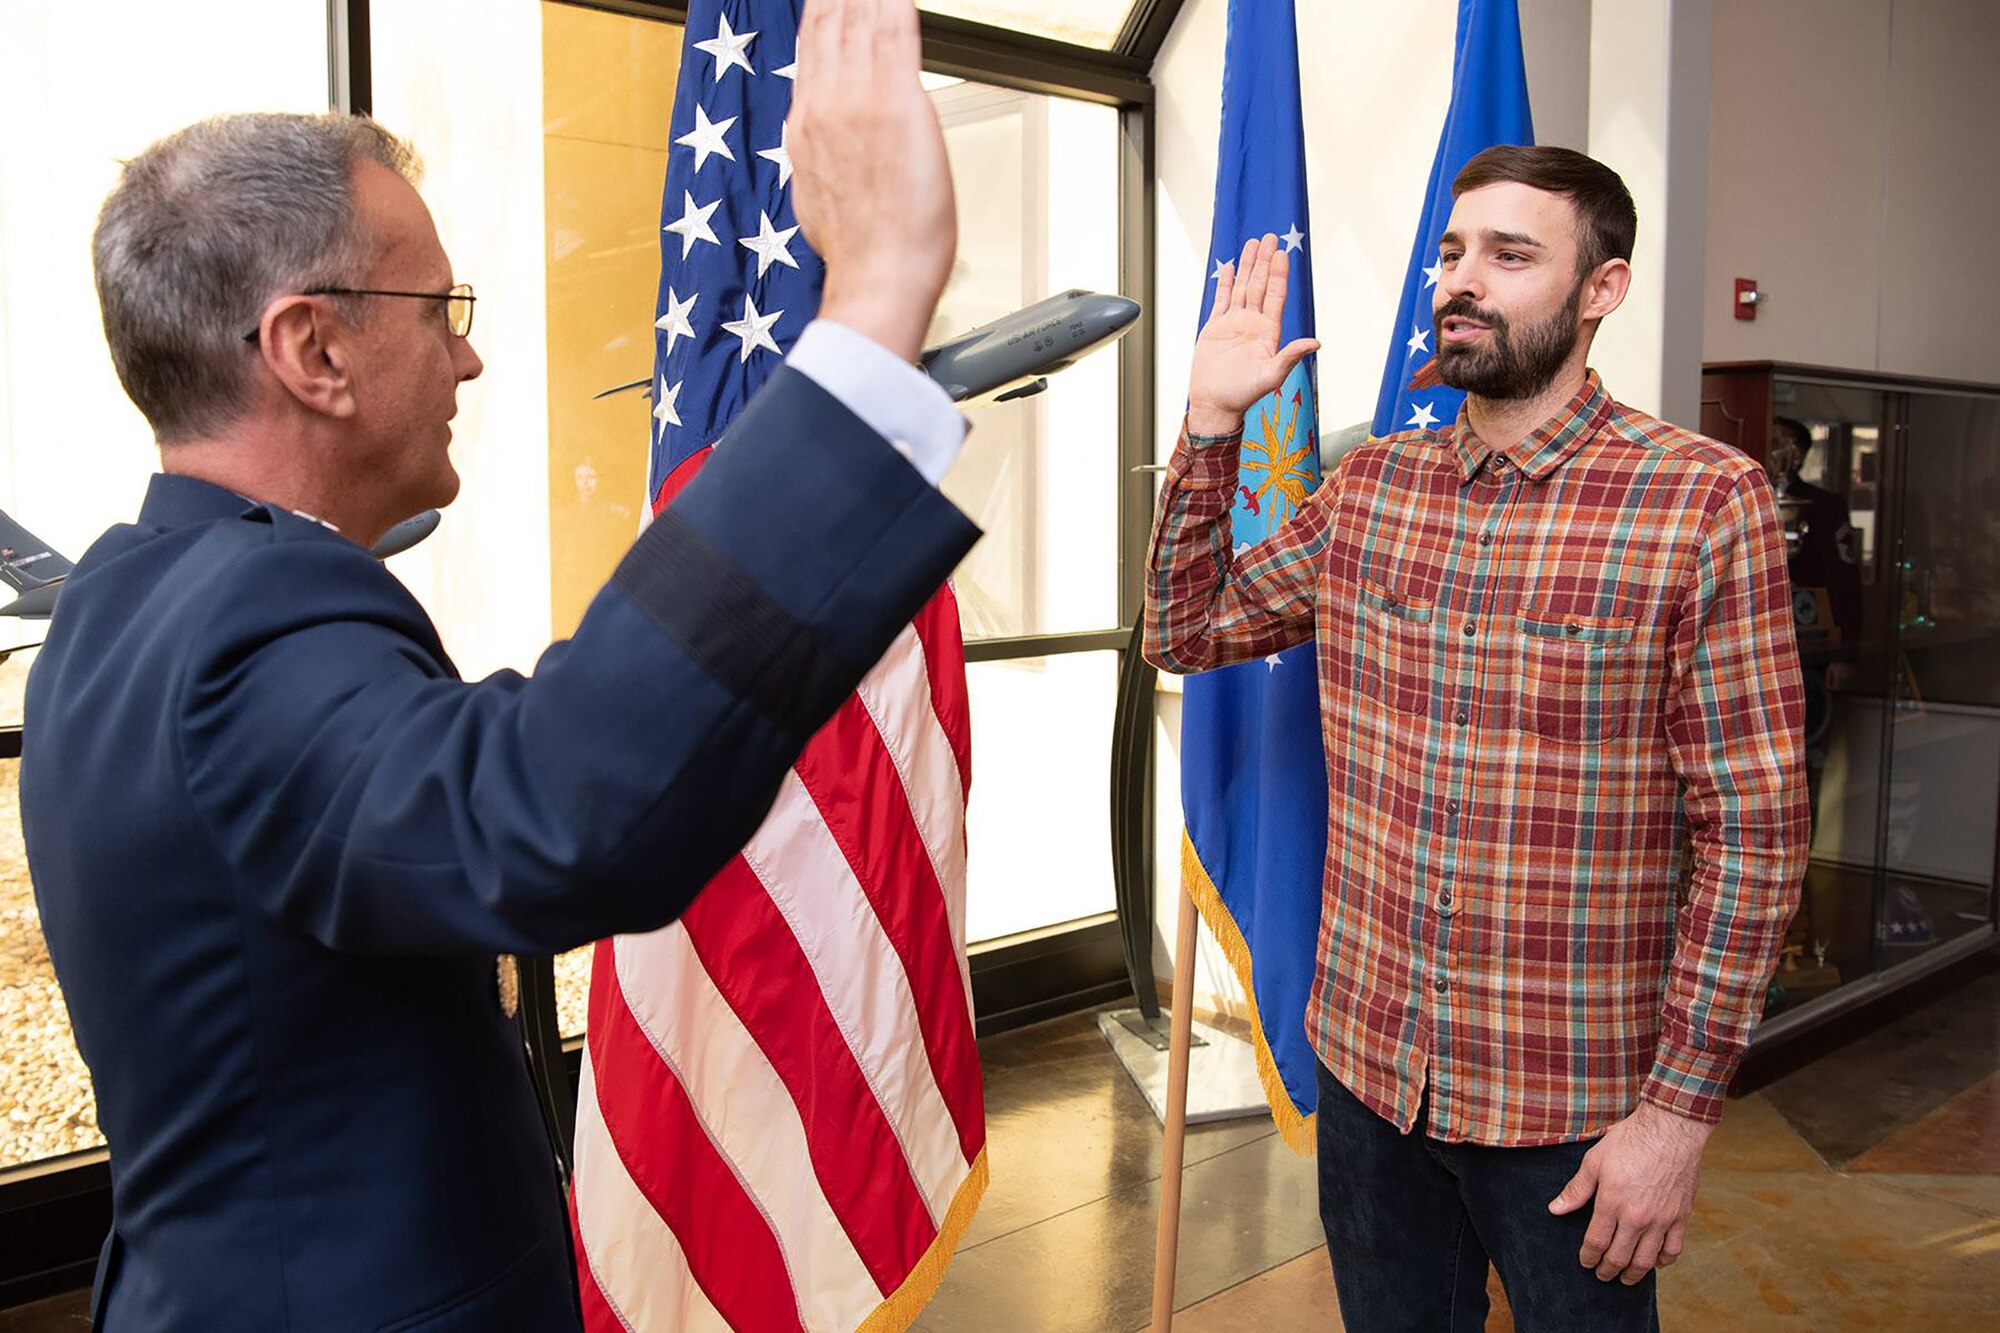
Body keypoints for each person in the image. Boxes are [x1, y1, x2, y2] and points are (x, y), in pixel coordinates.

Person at [22, 2, 974, 1329]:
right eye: (439, 308)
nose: (468, 352)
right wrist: (870, 311)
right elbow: (549, 810)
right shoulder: (249, 625)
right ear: (313, 348)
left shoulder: (121, 603)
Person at [1146, 145, 1807, 1331]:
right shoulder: (1368, 489)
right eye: (1453, 252)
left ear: (1598, 290)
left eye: (1509, 255)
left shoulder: (1702, 501)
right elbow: (1182, 630)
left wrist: (1677, 1115)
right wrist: (1207, 422)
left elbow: (1753, 835)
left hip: (1570, 1110)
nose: (1461, 280)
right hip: (1368, 1074)